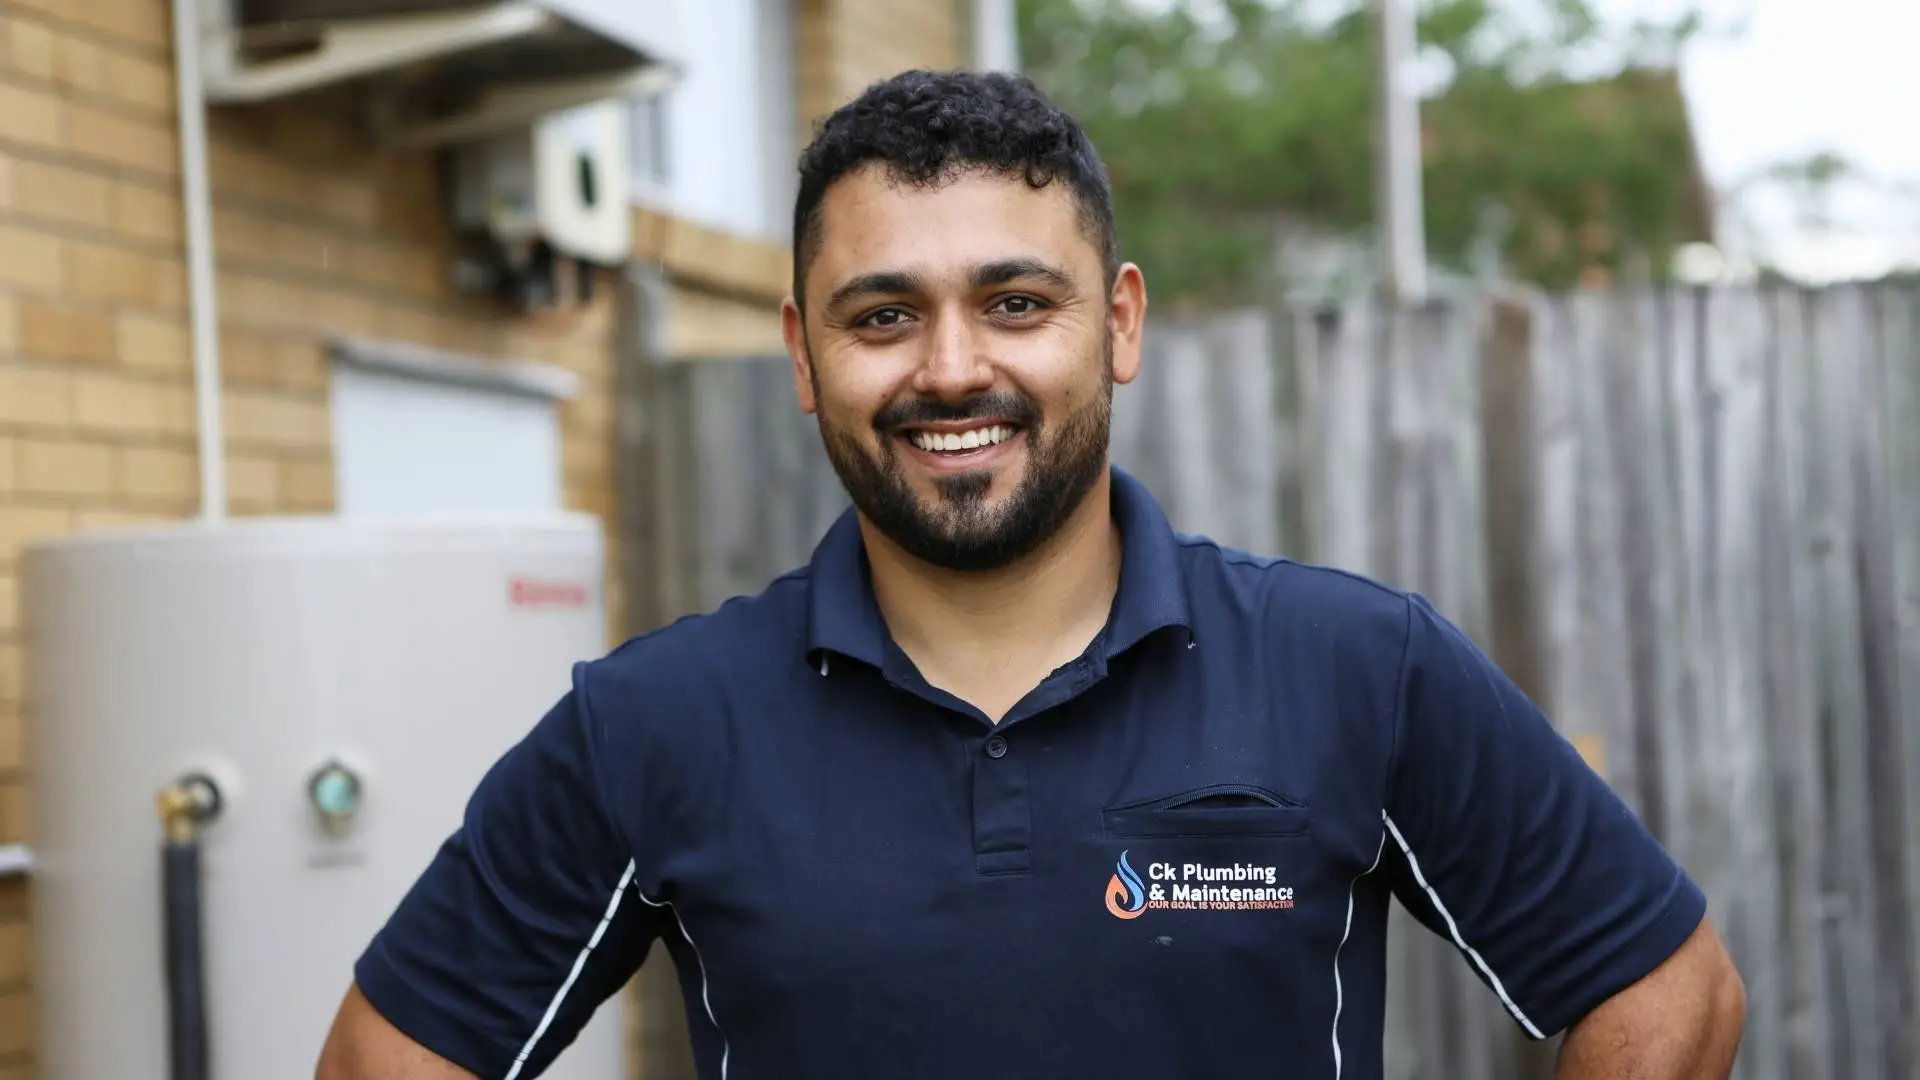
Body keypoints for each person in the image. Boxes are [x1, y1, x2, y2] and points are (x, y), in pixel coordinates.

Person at [315, 69, 1745, 1080]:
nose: (952, 368)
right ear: (804, 358)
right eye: (884, 315)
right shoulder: (656, 726)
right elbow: (391, 1057)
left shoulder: (1354, 667)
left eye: (1015, 302)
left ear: (1116, 322)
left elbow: (1669, 995)